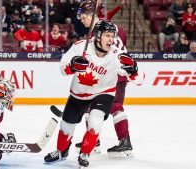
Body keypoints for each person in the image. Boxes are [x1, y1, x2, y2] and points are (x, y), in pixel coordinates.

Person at [44, 20, 143, 167]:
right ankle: (61, 151)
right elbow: (62, 68)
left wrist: (134, 71)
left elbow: (139, 80)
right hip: (78, 94)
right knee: (66, 126)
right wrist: (72, 66)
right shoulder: (80, 47)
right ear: (97, 36)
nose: (111, 39)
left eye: (113, 36)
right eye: (107, 35)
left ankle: (85, 154)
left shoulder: (117, 55)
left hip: (103, 94)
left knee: (95, 120)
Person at [74, 0, 133, 157]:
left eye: (83, 16)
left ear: (91, 15)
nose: (81, 20)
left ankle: (125, 142)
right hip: (114, 73)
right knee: (89, 106)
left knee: (115, 106)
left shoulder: (96, 34)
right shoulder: (115, 28)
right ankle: (94, 141)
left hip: (113, 74)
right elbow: (123, 41)